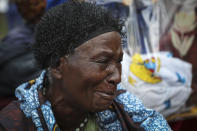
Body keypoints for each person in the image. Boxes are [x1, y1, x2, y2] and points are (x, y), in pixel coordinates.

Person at [0, 1, 171, 131]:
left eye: (118, 62)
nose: (118, 77)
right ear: (58, 64)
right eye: (103, 61)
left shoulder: (127, 110)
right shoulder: (13, 123)